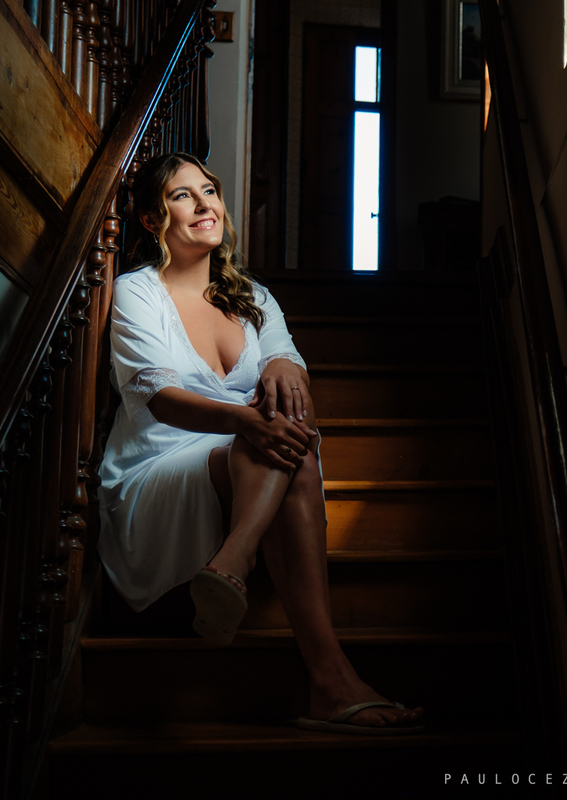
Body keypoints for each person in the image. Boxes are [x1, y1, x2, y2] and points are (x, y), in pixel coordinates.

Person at [97, 152, 424, 734]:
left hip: (248, 461)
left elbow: (294, 385)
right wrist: (248, 420)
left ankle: (236, 560)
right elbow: (162, 400)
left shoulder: (254, 297)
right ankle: (327, 673)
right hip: (156, 462)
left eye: (209, 190)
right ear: (151, 220)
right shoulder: (136, 292)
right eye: (182, 195)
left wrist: (281, 366)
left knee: (285, 430)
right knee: (272, 437)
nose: (204, 204)